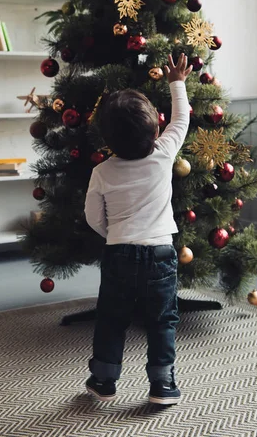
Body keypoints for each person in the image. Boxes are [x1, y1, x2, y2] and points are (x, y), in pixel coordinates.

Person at [84, 53, 192, 405]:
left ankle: (103, 380)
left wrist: (112, 234)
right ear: (155, 130)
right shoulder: (163, 154)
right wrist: (176, 82)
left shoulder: (102, 172)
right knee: (162, 320)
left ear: (107, 138)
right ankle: (162, 385)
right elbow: (182, 121)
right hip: (160, 253)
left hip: (118, 253)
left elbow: (92, 217)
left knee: (112, 319)